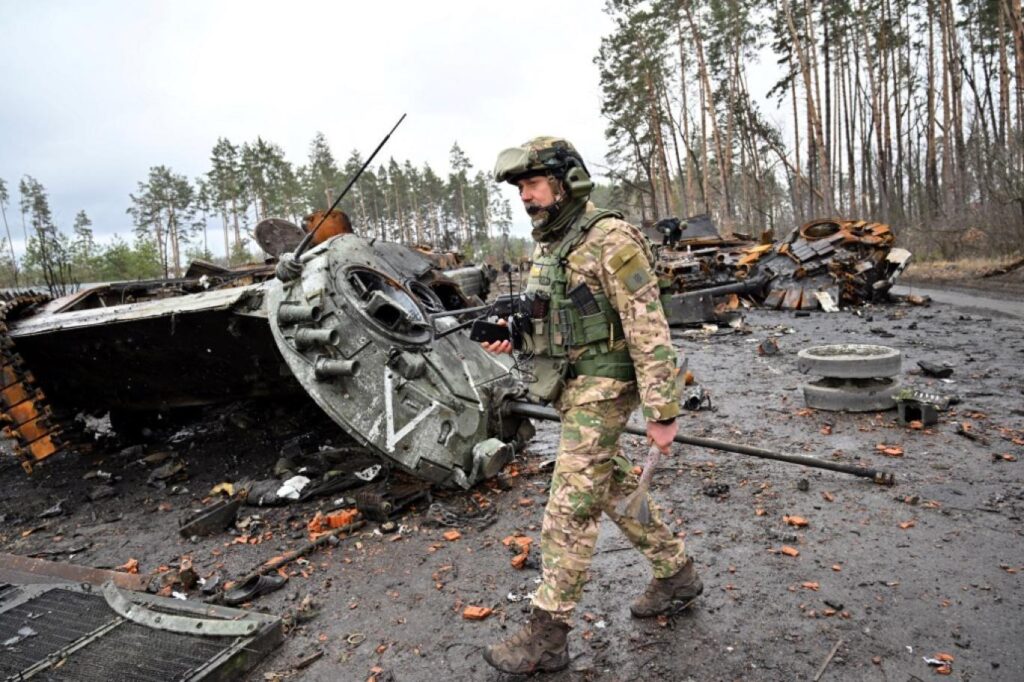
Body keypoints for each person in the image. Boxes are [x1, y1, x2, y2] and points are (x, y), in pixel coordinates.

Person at [481, 137, 703, 675]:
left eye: (533, 185)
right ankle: (676, 574)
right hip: (571, 384)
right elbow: (558, 316)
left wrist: (662, 411)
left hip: (604, 384)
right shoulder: (551, 243)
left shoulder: (611, 238)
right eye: (520, 189)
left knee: (570, 506)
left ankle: (546, 634)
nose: (526, 197)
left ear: (565, 182)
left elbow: (648, 327)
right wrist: (515, 332)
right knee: (610, 483)